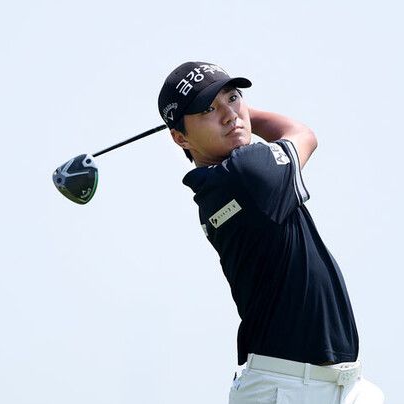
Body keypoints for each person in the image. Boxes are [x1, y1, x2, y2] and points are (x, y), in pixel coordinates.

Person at [158, 61, 384, 404]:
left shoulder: (215, 186)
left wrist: (225, 113)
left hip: (338, 385)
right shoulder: (248, 173)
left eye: (233, 98)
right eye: (208, 109)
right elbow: (302, 133)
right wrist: (243, 114)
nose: (229, 115)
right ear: (180, 137)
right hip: (288, 389)